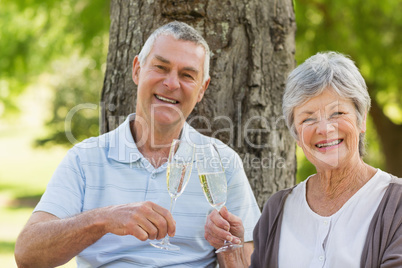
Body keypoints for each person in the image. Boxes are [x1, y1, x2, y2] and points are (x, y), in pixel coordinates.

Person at [14, 21, 261, 267]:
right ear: (137, 70)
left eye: (187, 75)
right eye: (161, 67)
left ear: (201, 90)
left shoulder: (222, 162)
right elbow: (27, 254)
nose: (172, 83)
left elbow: (248, 262)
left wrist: (229, 249)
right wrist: (105, 219)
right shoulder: (85, 158)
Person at [204, 52, 402, 267]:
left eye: (337, 113)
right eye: (308, 118)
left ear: (361, 120)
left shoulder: (396, 204)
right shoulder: (277, 209)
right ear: (297, 135)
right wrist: (232, 251)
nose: (325, 129)